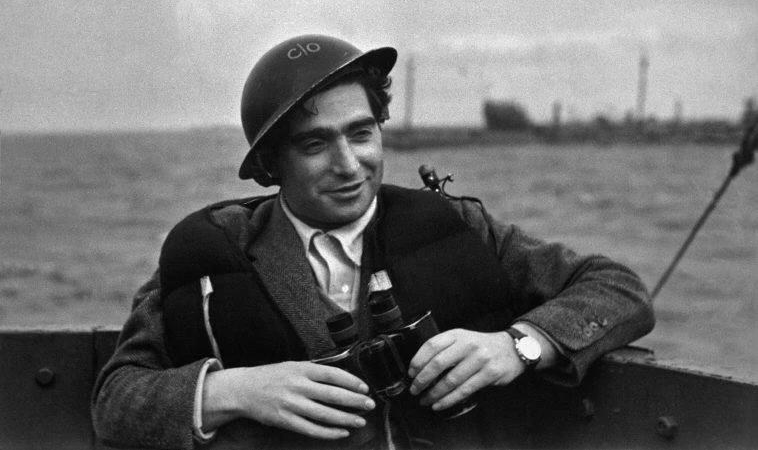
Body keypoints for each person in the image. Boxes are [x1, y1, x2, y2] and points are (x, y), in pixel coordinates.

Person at [91, 34, 655, 449]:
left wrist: (517, 346)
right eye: (315, 145)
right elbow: (115, 400)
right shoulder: (212, 253)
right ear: (270, 163)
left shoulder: (456, 225)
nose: (349, 165)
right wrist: (236, 391)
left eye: (362, 134)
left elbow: (617, 289)